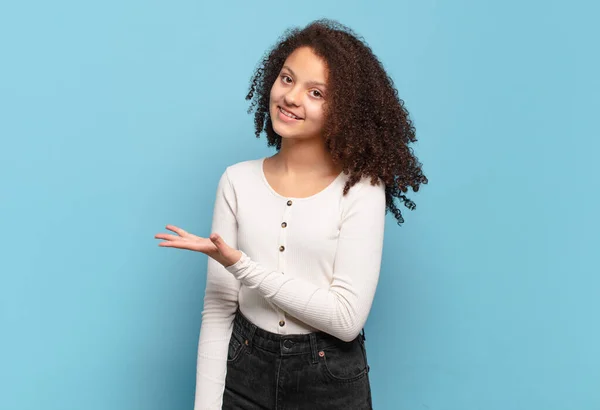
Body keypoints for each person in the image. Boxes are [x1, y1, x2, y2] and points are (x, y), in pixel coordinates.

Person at [155, 18, 427, 410]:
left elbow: (346, 318)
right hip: (243, 370)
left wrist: (242, 266)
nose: (291, 97)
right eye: (287, 79)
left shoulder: (362, 189)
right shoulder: (237, 181)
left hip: (329, 378)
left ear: (343, 109)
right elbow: (218, 311)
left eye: (315, 92)